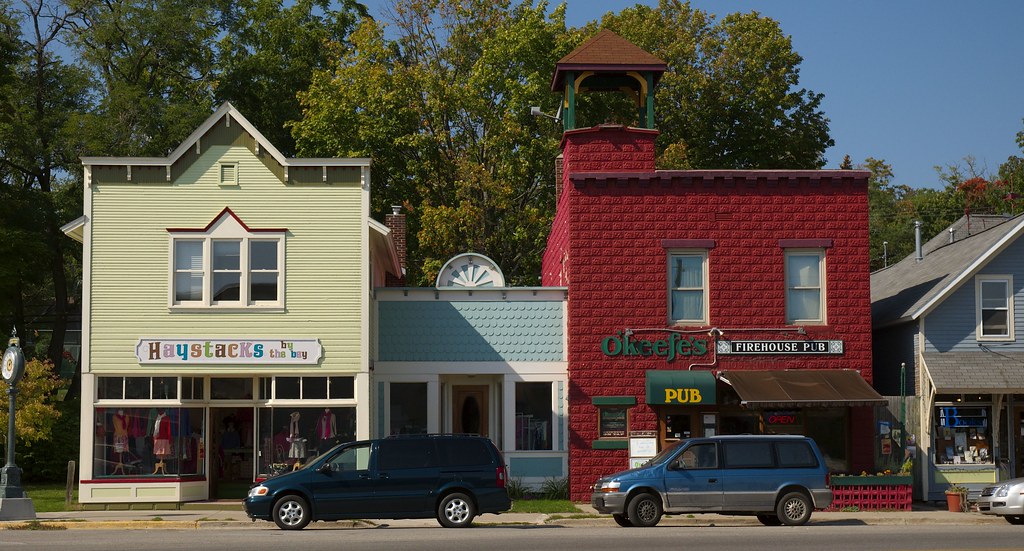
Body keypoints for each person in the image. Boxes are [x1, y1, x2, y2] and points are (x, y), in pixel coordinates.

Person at [153, 409, 172, 474]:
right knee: (159, 452)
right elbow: (155, 428)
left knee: (162, 452)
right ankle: (160, 462)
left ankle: (162, 462)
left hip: (164, 438)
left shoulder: (166, 418)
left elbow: (168, 429)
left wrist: (169, 439)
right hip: (157, 438)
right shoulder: (157, 418)